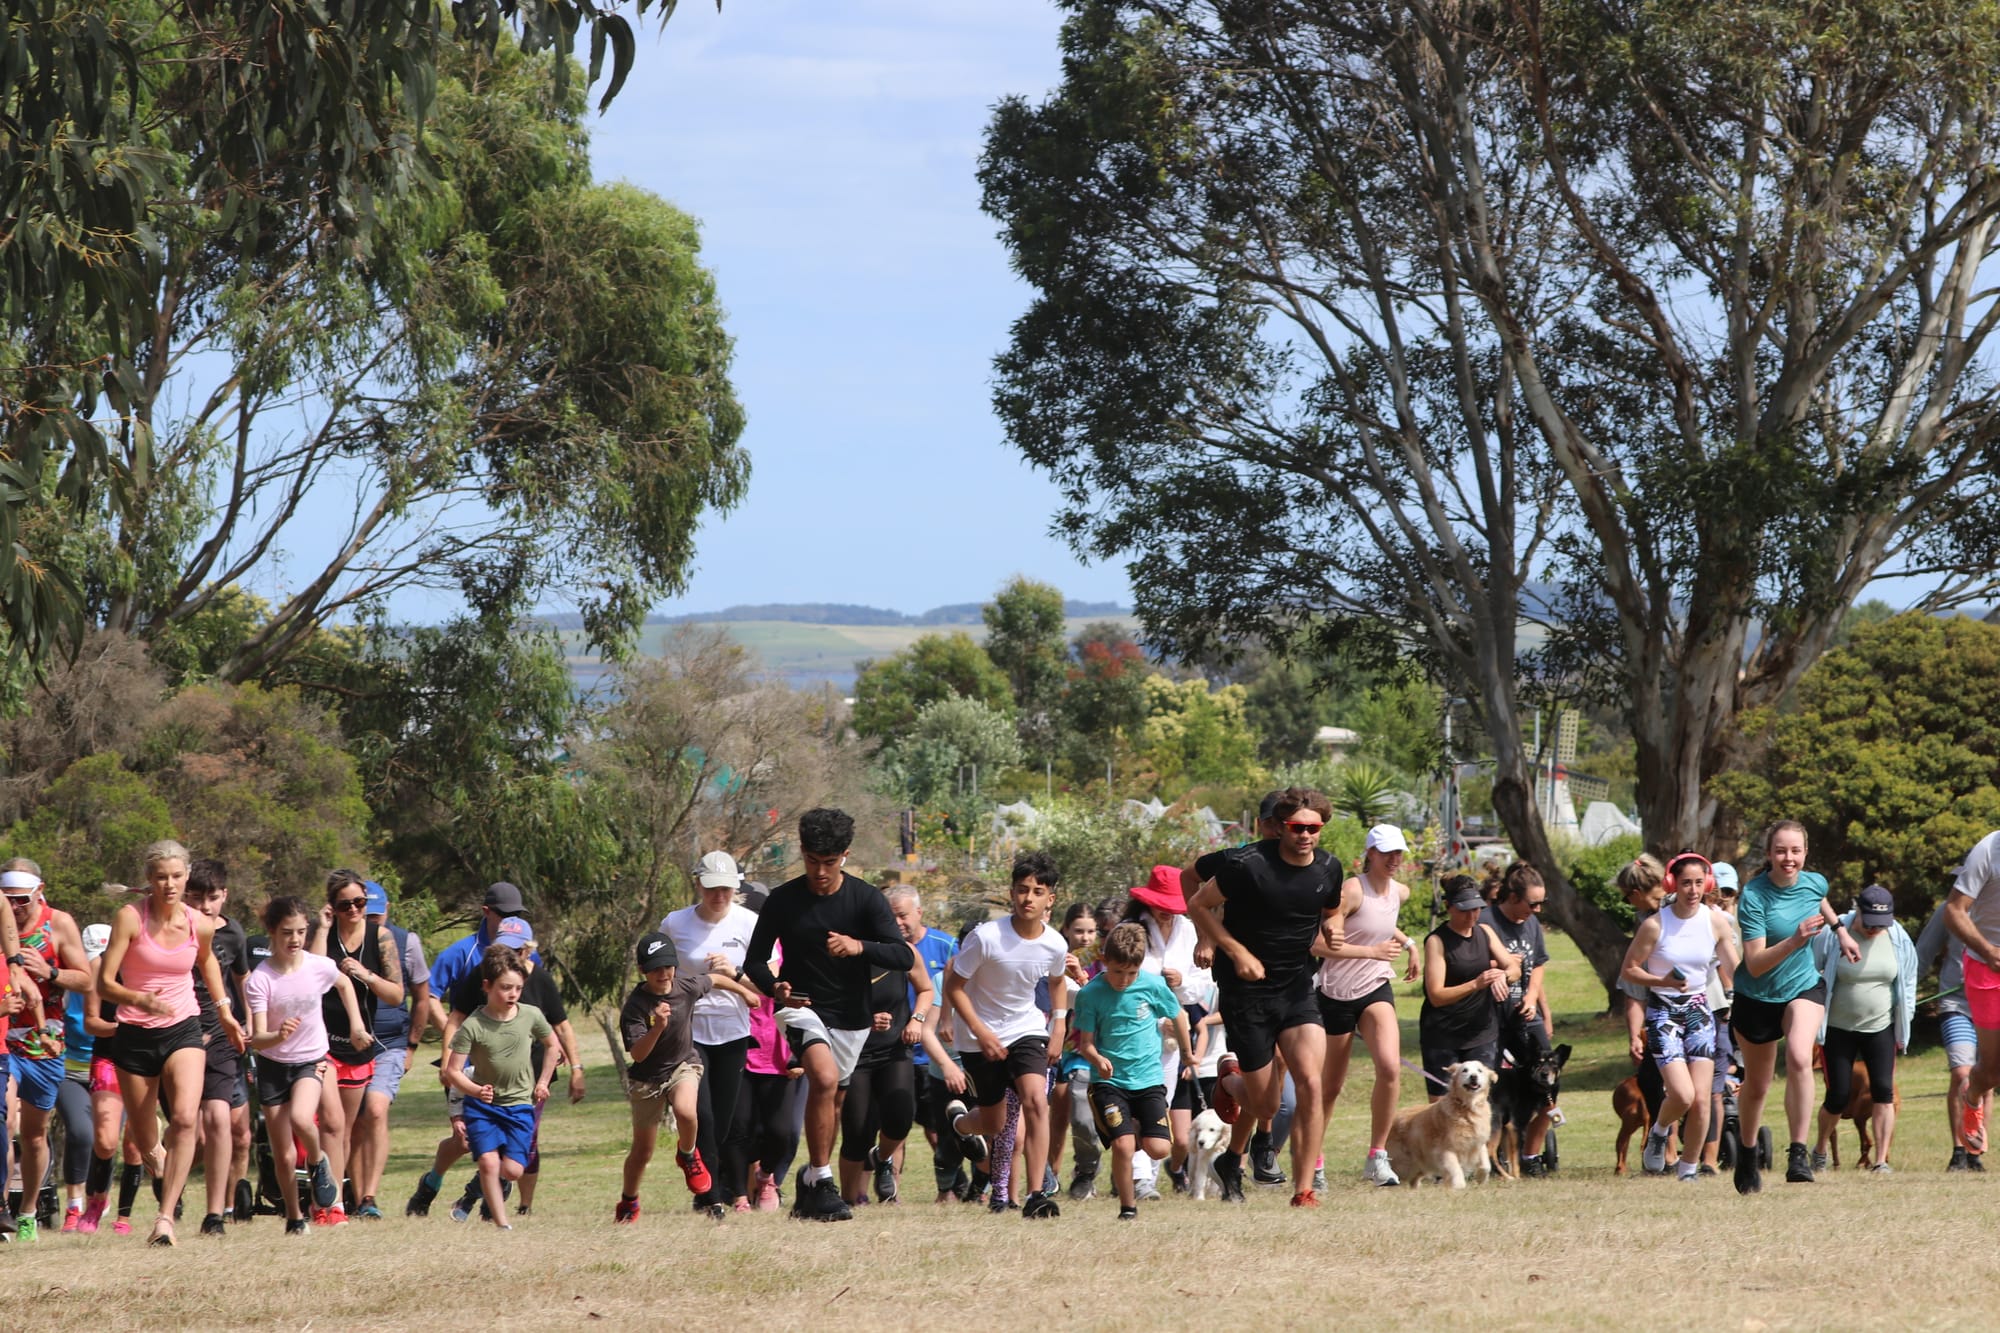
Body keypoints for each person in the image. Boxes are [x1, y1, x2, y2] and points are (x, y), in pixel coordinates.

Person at [742, 808, 913, 1223]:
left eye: (830, 863)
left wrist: (859, 947)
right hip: (800, 1008)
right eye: (812, 861)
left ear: (845, 856)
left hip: (852, 1018)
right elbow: (755, 962)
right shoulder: (783, 900)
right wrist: (774, 988)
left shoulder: (866, 899)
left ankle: (806, 1187)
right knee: (821, 1077)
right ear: (802, 853)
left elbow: (903, 955)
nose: (820, 872)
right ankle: (822, 1180)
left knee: (832, 1099)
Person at [1185, 787, 1340, 1207]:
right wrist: (1232, 950)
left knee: (1310, 1083)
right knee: (1267, 1104)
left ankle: (1303, 1189)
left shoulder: (1329, 868)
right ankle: (1230, 1083)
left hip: (1295, 987)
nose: (1305, 835)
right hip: (1246, 992)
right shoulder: (1246, 865)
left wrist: (1334, 926)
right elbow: (1198, 903)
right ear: (1281, 827)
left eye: (1313, 828)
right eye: (1297, 827)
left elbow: (1331, 908)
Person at [95, 840, 244, 1246]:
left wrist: (226, 1010)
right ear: (150, 880)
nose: (169, 884)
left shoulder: (200, 922)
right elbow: (104, 983)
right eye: (161, 877)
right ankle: (157, 1160)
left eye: (177, 876)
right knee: (146, 1143)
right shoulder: (129, 918)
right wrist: (138, 998)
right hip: (134, 1035)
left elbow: (208, 961)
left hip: (183, 1027)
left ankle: (165, 1219)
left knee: (184, 1119)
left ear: (186, 876)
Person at [942, 850, 1070, 1220]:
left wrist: (1059, 1024)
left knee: (1035, 1101)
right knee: (996, 1124)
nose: (1028, 898)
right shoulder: (986, 938)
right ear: (1012, 893)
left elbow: (1058, 981)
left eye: (1037, 891)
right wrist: (980, 1032)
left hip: (1026, 1029)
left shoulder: (1055, 944)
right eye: (1022, 890)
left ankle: (1035, 1196)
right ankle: (962, 1124)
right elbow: (954, 986)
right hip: (978, 1036)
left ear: (1051, 898)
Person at [1732, 819, 1857, 1193]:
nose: (1789, 858)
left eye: (1796, 851)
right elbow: (1754, 963)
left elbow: (1819, 900)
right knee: (1757, 1085)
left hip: (1803, 986)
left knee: (1802, 1057)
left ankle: (1798, 1153)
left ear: (1805, 853)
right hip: (1756, 997)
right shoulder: (1753, 896)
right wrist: (1796, 940)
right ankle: (1748, 1151)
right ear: (1769, 854)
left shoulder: (1815, 881)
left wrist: (1840, 930)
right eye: (1781, 851)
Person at [438, 919, 591, 1221]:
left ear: (527, 950)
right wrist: (454, 1070)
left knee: (520, 1154)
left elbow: (560, 1028)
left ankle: (511, 1201)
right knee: (489, 1157)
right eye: (504, 947)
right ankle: (493, 1211)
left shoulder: (541, 983)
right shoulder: (480, 982)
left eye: (517, 949)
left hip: (529, 1086)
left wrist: (574, 1068)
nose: (511, 954)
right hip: (487, 1090)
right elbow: (456, 1018)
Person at [245, 894, 371, 1236]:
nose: (296, 939)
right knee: (283, 1155)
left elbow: (344, 983)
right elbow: (257, 1038)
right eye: (287, 932)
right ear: (272, 932)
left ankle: (317, 1162)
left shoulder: (317, 966)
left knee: (303, 1117)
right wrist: (277, 1034)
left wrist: (357, 1025)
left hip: (311, 1060)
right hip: (273, 1066)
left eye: (301, 931)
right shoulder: (261, 979)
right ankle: (293, 1217)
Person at [1619, 852, 1740, 1180]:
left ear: (1708, 884)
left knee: (1702, 1099)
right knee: (1682, 1095)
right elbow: (1629, 970)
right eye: (1686, 883)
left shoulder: (1715, 921)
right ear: (1673, 883)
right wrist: (1662, 981)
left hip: (1700, 1010)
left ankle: (1688, 1171)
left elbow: (1735, 968)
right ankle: (1659, 1132)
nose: (1693, 890)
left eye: (1699, 883)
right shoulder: (1655, 924)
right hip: (1664, 1012)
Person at [1314, 824, 1418, 1188]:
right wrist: (1371, 951)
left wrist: (1409, 944)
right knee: (1330, 1087)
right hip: (1336, 993)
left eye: (1398, 853)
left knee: (1390, 1068)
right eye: (1386, 852)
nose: (1394, 859)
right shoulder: (1351, 892)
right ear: (1369, 854)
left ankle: (1377, 1156)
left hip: (1374, 986)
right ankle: (1314, 1160)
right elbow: (1317, 943)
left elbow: (1382, 923)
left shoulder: (1399, 891)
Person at [1073, 922, 1194, 1220]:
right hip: (1109, 1082)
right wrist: (1097, 1058)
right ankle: (1128, 1208)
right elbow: (1085, 1044)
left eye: (1131, 973)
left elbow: (1178, 1015)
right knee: (1124, 1146)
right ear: (1105, 959)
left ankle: (1134, 1127)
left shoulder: (1152, 985)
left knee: (1159, 1149)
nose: (1123, 980)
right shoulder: (1090, 994)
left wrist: (1188, 1052)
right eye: (1117, 972)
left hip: (1149, 1080)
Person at [664, 851, 760, 1211]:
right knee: (700, 1112)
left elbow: (768, 982)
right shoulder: (675, 923)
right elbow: (659, 971)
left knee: (721, 1117)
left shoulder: (750, 923)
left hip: (732, 1030)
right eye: (711, 888)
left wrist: (733, 972)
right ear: (698, 884)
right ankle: (709, 1195)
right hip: (689, 1031)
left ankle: (707, 1178)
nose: (719, 896)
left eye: (726, 889)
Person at [3, 858, 90, 1241]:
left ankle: (27, 1210)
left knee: (35, 1134)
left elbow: (86, 980)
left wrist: (51, 972)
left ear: (40, 892)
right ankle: (2, 1209)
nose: (14, 908)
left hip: (44, 1043)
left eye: (21, 899)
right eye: (7, 899)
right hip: (4, 1037)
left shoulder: (59, 923)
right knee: (4, 1122)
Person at [445, 946, 558, 1231]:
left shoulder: (530, 1015)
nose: (512, 995)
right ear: (487, 986)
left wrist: (543, 1081)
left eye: (518, 989)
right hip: (483, 1107)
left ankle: (477, 1196)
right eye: (505, 988)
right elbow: (452, 1071)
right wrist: (474, 1091)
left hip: (520, 1105)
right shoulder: (473, 1025)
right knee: (488, 1163)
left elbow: (552, 1045)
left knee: (513, 1170)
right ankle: (502, 1225)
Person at [840, 924, 953, 1205]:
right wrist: (866, 1018)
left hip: (894, 1049)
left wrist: (917, 1018)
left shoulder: (903, 952)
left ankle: (882, 1159)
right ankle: (847, 1199)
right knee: (858, 1129)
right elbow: (829, 1002)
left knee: (901, 1118)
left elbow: (926, 989)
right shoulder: (843, 954)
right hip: (855, 1052)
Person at [1810, 884, 1915, 1173]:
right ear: (1858, 912)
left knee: (1884, 1091)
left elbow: (1908, 978)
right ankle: (1819, 1149)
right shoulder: (1834, 934)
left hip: (1881, 1025)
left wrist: (1907, 1013)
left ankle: (1881, 1160)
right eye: (1869, 924)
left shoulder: (1897, 936)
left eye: (1881, 924)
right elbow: (1812, 967)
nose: (1874, 930)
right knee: (1838, 1095)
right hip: (1838, 1027)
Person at [616, 932, 716, 1221]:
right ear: (642, 970)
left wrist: (745, 992)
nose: (663, 973)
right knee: (642, 1152)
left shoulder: (685, 986)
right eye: (655, 968)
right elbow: (638, 1054)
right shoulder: (635, 1007)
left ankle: (687, 1154)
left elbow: (715, 980)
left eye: (668, 966)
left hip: (683, 1065)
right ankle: (629, 1201)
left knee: (687, 1111)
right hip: (647, 1079)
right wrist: (658, 1027)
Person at [351, 879, 434, 1220]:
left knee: (374, 1109)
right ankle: (356, 1198)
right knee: (353, 1121)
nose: (371, 922)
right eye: (364, 916)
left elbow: (422, 997)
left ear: (386, 911)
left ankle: (370, 1194)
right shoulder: (341, 942)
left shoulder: (406, 941)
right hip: (348, 1043)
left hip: (391, 1042)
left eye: (375, 916)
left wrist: (412, 1045)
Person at [1123, 864, 1207, 1192]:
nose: (1165, 915)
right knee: (1136, 1098)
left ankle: (1149, 1177)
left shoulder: (1189, 930)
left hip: (1174, 1028)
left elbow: (1204, 978)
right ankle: (1137, 1173)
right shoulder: (1131, 929)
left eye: (1172, 909)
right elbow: (1119, 975)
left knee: (1163, 1101)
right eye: (1161, 908)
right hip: (1135, 1027)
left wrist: (1182, 982)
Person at [184, 859, 250, 1235]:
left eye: (212, 898)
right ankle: (168, 1185)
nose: (205, 907)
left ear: (224, 895)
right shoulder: (172, 929)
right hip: (177, 1035)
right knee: (185, 1127)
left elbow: (241, 979)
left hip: (220, 1035)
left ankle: (215, 1215)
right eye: (196, 899)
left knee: (220, 1120)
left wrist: (250, 1022)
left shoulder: (233, 934)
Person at [888, 887, 967, 1202]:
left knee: (938, 1128)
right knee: (894, 1126)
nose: (897, 922)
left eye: (903, 915)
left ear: (919, 912)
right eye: (891, 915)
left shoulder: (946, 945)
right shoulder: (883, 949)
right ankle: (889, 1194)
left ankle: (949, 1188)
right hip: (895, 1054)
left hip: (934, 1057)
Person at [1482, 861, 1558, 1175]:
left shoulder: (1531, 925)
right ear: (1512, 897)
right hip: (1490, 1017)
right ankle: (1492, 1155)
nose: (1538, 910)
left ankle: (1530, 1155)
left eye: (1542, 903)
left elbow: (1537, 964)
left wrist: (1531, 997)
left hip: (1525, 1014)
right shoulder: (1485, 920)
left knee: (1549, 1083)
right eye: (1533, 903)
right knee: (1492, 1087)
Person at [1420, 874, 1517, 1100]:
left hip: (1481, 1033)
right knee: (1443, 1108)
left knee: (1479, 1105)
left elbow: (1514, 967)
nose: (1472, 915)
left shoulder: (1485, 932)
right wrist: (1476, 984)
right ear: (1448, 907)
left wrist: (1503, 975)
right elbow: (1436, 995)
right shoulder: (1437, 941)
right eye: (1465, 910)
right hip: (1442, 1036)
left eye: (1476, 909)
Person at [1916, 890, 1987, 1170]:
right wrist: (1904, 995)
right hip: (1956, 1002)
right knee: (1962, 1073)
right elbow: (1923, 954)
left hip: (1990, 1002)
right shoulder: (1948, 910)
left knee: (1987, 1078)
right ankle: (1959, 1150)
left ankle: (1975, 1151)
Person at [1947, 831, 2000, 1158]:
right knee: (1993, 1071)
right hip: (1988, 967)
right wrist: (1988, 951)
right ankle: (1973, 1094)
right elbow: (1954, 911)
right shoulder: (1988, 850)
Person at [55, 923, 112, 1232]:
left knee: (106, 1141)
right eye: (91, 957)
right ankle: (74, 1206)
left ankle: (98, 1200)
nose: (96, 964)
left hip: (112, 1069)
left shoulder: (124, 984)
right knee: (81, 1132)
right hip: (72, 1071)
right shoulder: (67, 985)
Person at [1050, 902, 1102, 1201]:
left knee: (1087, 1114)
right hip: (1062, 1047)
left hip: (1096, 1049)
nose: (1085, 938)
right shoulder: (1055, 958)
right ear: (1066, 929)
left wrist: (1082, 976)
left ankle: (1087, 1172)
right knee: (1061, 1116)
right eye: (1078, 931)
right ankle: (1051, 1176)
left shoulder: (1104, 961)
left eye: (1091, 931)